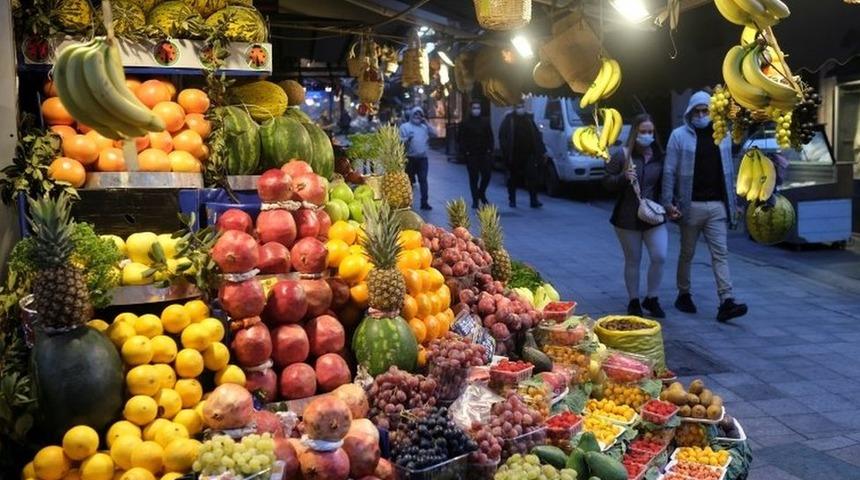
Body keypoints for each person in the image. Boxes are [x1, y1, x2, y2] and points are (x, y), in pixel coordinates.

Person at [662, 90, 748, 322]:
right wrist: (668, 202)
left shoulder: (723, 135)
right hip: (690, 206)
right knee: (687, 253)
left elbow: (729, 170)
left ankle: (726, 300)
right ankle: (684, 293)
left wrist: (734, 202)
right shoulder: (679, 136)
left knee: (720, 254)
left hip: (717, 206)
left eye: (705, 110)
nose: (702, 115)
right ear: (690, 112)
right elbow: (669, 170)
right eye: (697, 111)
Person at [603, 114, 667, 317]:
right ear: (635, 133)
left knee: (660, 255)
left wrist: (670, 205)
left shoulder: (659, 155)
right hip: (627, 217)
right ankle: (634, 300)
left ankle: (652, 298)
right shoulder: (622, 155)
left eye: (650, 132)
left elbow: (664, 183)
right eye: (643, 132)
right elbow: (605, 181)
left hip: (653, 215)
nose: (647, 135)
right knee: (633, 260)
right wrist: (623, 178)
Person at [499, 103, 545, 208]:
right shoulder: (509, 120)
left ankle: (534, 200)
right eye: (518, 106)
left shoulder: (528, 119)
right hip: (514, 154)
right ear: (514, 108)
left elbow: (536, 135)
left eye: (522, 106)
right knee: (512, 179)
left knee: (532, 178)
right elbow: (503, 136)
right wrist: (505, 151)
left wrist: (540, 150)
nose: (521, 109)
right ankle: (512, 200)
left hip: (529, 154)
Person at [458, 101, 494, 208]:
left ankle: (481, 193)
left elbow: (490, 136)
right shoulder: (465, 123)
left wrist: (489, 150)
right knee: (473, 178)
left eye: (478, 107)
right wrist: (466, 152)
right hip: (472, 155)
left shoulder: (485, 122)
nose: (476, 110)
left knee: (486, 175)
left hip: (484, 154)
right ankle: (475, 200)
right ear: (470, 109)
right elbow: (460, 138)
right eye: (474, 108)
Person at [399, 106, 436, 210]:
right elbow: (399, 140)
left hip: (422, 159)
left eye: (420, 114)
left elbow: (434, 133)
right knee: (409, 182)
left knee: (423, 180)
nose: (417, 116)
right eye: (415, 114)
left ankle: (424, 202)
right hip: (410, 159)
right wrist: (406, 139)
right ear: (411, 115)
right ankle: (408, 203)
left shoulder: (424, 127)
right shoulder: (405, 127)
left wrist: (427, 123)